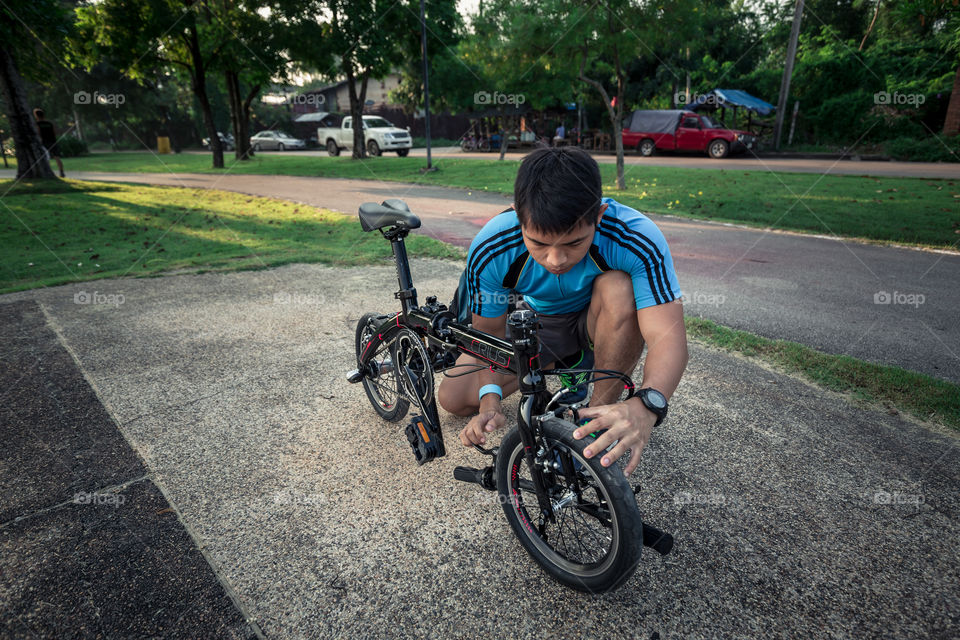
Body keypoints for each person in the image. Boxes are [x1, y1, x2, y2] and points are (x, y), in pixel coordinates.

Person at [437, 146, 688, 476]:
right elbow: (488, 335)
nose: (556, 260)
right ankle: (569, 362)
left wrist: (648, 404)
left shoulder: (636, 236)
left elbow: (667, 337)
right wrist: (490, 398)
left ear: (598, 215)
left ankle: (594, 421)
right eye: (539, 243)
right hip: (540, 325)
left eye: (574, 243)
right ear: (518, 215)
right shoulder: (492, 244)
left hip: (597, 320)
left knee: (619, 288)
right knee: (454, 398)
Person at [33, 108, 65, 177]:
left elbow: (38, 133)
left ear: (36, 116)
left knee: (45, 158)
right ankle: (61, 172)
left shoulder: (37, 124)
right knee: (57, 157)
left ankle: (47, 171)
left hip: (44, 142)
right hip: (53, 141)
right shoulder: (49, 123)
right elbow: (55, 132)